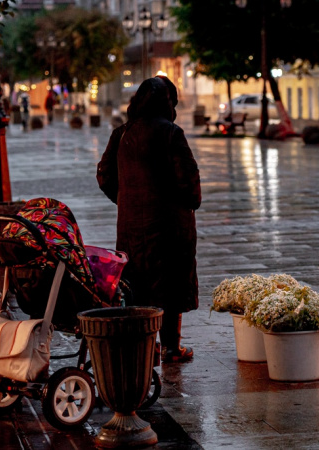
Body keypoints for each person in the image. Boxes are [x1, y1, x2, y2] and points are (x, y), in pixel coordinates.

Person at [96, 76, 201, 363]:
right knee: (170, 283)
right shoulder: (171, 133)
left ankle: (146, 346)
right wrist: (189, 202)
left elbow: (104, 175)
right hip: (170, 226)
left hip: (131, 226)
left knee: (138, 284)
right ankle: (171, 347)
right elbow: (188, 179)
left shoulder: (122, 134)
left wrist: (127, 200)